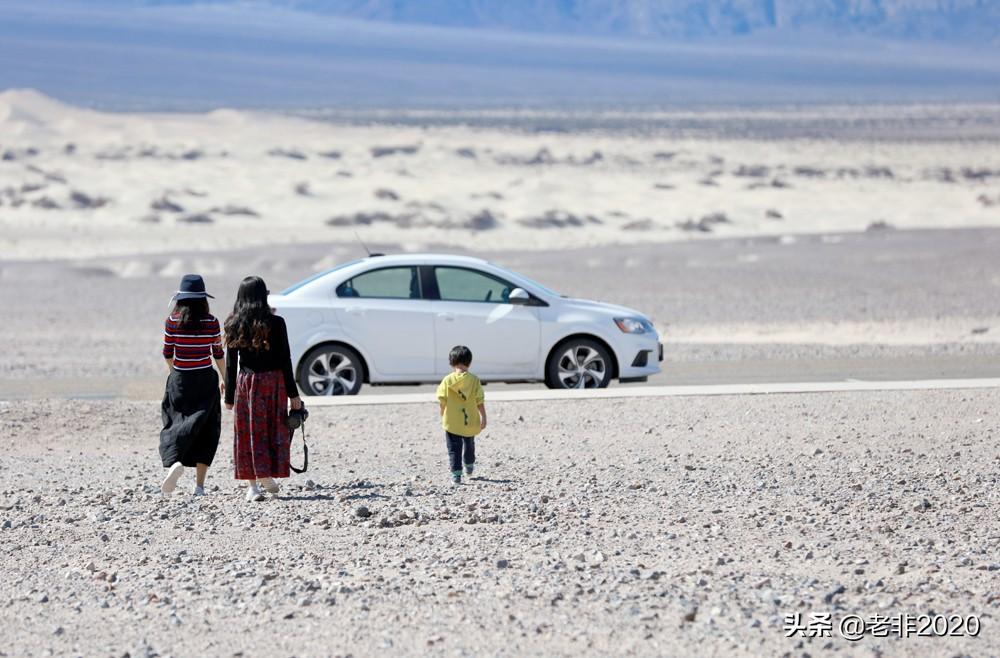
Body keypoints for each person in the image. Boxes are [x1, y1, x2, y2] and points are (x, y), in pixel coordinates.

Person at [224, 276, 303, 502]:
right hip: (273, 383)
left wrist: (229, 397)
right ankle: (266, 473)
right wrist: (293, 394)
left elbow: (231, 364)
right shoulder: (276, 323)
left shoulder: (233, 323)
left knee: (247, 431)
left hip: (246, 383)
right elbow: (285, 359)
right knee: (272, 429)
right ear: (263, 296)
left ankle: (253, 487)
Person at [159, 274, 226, 496]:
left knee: (174, 423)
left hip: (180, 378)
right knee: (207, 429)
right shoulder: (211, 322)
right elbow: (218, 354)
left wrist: (175, 375)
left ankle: (174, 462)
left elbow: (168, 353)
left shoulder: (172, 321)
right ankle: (199, 486)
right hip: (205, 379)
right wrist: (227, 380)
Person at [436, 345, 487, 485]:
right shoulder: (474, 380)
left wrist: (442, 413)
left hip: (452, 421)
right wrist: (484, 417)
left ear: (451, 362)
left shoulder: (447, 380)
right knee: (469, 443)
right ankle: (469, 464)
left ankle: (456, 475)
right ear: (469, 363)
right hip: (469, 420)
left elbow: (442, 400)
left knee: (454, 447)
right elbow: (479, 400)